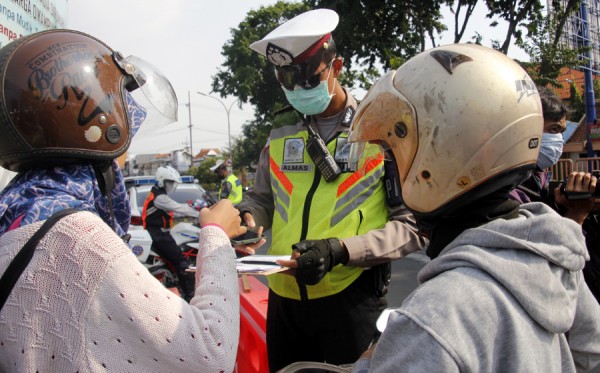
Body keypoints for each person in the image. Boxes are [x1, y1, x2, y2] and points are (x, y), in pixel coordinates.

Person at [0, 29, 259, 372]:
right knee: (183, 269)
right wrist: (216, 236)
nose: (124, 157)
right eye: (125, 140)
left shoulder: (16, 215)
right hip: (163, 238)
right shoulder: (78, 240)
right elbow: (211, 354)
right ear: (101, 135)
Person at [345, 43, 600, 372]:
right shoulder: (552, 256)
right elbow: (592, 355)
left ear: (441, 152)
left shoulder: (433, 318)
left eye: (395, 151)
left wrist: (372, 361)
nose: (392, 164)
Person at [240, 9, 427, 371]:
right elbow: (261, 199)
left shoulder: (378, 131)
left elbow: (411, 225)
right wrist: (248, 218)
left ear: (336, 67)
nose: (296, 92)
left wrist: (340, 251)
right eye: (286, 83)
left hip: (350, 297)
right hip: (283, 298)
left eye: (307, 81)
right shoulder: (281, 130)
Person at [142, 165, 202, 301]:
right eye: (170, 182)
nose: (172, 186)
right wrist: (201, 214)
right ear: (163, 181)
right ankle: (190, 296)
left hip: (157, 232)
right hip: (159, 234)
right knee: (181, 263)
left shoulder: (156, 193)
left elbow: (172, 211)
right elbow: (180, 208)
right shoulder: (160, 198)